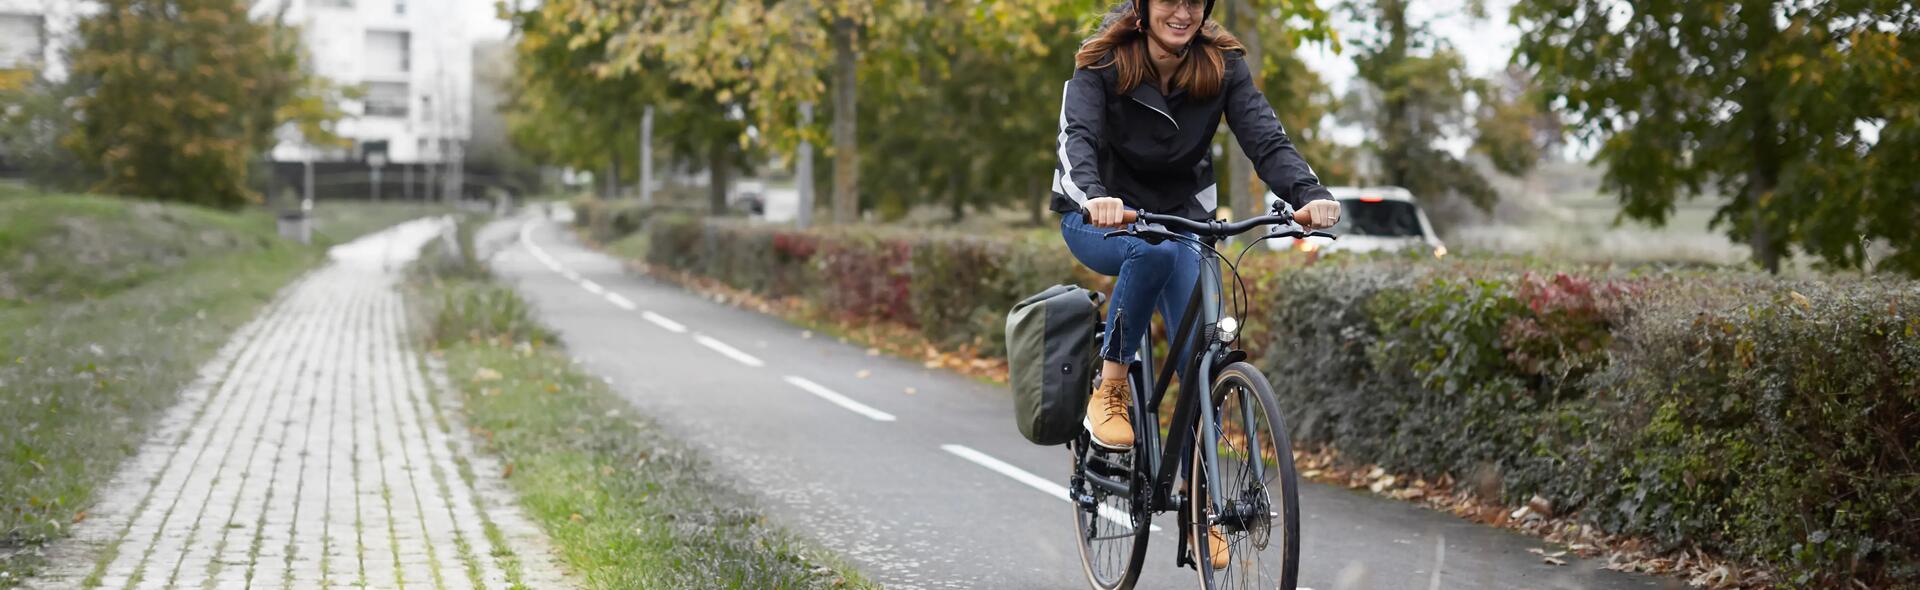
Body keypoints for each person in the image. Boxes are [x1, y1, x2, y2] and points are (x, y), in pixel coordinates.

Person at [1052, 1, 1340, 460]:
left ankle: (1206, 508)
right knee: (1152, 253)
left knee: (1201, 360)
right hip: (1099, 216)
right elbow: (1077, 138)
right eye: (1170, 0)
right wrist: (1092, 195)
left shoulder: (1222, 66)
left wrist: (1310, 194)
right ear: (1145, 8)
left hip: (1180, 217)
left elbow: (1266, 141)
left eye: (1193, 1)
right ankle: (1110, 389)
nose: (1182, 12)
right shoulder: (1102, 62)